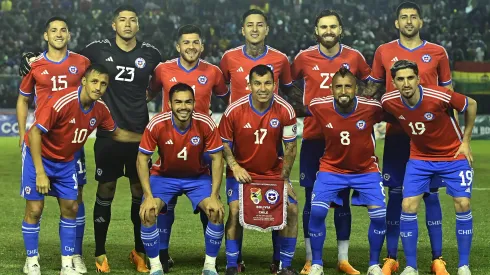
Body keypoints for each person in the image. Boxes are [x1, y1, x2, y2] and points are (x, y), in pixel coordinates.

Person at [19, 5, 163, 272]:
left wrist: (150, 136)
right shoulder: (85, 67)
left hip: (100, 148)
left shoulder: (149, 57)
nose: (128, 24)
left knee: (94, 201)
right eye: (122, 19)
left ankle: (107, 255)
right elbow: (35, 130)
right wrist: (31, 60)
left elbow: (153, 89)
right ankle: (64, 257)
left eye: (133, 20)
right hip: (71, 147)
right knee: (54, 204)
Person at [21, 64, 142, 275]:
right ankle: (31, 260)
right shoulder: (62, 101)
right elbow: (34, 134)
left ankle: (67, 263)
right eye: (94, 81)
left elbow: (117, 134)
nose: (98, 87)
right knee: (35, 209)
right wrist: (40, 172)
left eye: (103, 84)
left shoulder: (101, 110)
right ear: (84, 81)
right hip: (38, 157)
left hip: (66, 161)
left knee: (71, 207)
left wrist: (149, 138)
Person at [366, 2, 454, 274]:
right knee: (395, 195)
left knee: (430, 195)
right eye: (403, 17)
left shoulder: (437, 52)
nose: (408, 21)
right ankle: (392, 257)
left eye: (413, 17)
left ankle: (437, 258)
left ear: (421, 22)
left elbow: (449, 97)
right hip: (396, 135)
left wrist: (456, 140)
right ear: (396, 23)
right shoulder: (384, 51)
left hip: (431, 138)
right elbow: (373, 92)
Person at [290, 9, 371, 275]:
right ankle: (312, 259)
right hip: (314, 138)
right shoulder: (303, 58)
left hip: (345, 142)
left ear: (341, 30)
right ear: (316, 31)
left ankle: (343, 259)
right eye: (323, 27)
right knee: (312, 199)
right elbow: (290, 88)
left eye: (333, 27)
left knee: (343, 200)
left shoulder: (355, 57)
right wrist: (306, 108)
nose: (328, 31)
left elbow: (370, 88)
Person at [219, 9, 301, 272]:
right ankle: (233, 264)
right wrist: (234, 167)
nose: (263, 88)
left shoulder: (285, 110)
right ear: (249, 84)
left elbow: (290, 147)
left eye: (268, 83)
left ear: (274, 82)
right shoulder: (233, 110)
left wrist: (284, 178)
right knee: (233, 210)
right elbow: (224, 142)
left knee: (291, 209)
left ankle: (283, 265)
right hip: (241, 168)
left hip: (272, 169)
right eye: (258, 83)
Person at [381, 60, 476, 275]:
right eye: (400, 79)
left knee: (462, 203)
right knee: (408, 205)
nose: (406, 83)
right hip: (420, 158)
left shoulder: (439, 96)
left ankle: (463, 265)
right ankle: (411, 266)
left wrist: (466, 141)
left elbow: (470, 104)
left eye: (410, 78)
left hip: (453, 155)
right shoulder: (389, 101)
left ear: (418, 79)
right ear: (394, 82)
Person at [148, 23, 229, 271]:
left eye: (196, 42)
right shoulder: (162, 70)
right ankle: (162, 256)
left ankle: (210, 260)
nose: (191, 47)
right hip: (169, 143)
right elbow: (147, 95)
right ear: (178, 46)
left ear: (202, 46)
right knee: (165, 206)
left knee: (210, 206)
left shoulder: (213, 72)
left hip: (202, 144)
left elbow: (225, 99)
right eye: (186, 42)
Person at [16, 16, 91, 274]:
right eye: (53, 31)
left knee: (74, 201)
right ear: (45, 36)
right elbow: (23, 100)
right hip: (42, 142)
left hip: (71, 145)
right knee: (35, 207)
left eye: (63, 30)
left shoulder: (82, 63)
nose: (59, 34)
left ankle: (73, 257)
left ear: (69, 34)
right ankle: (32, 260)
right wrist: (20, 131)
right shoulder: (35, 65)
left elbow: (94, 90)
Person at [136, 83, 225, 275]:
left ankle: (209, 267)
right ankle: (156, 267)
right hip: (164, 177)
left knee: (216, 211)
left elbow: (218, 158)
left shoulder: (206, 123)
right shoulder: (157, 123)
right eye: (178, 102)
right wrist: (148, 195)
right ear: (169, 104)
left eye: (188, 102)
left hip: (197, 177)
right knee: (148, 212)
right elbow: (142, 159)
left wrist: (215, 195)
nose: (183, 107)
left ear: (194, 103)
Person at [306, 67, 386, 275]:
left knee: (379, 216)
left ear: (356, 89)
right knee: (317, 212)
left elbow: (395, 114)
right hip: (331, 169)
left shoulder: (371, 108)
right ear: (331, 89)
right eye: (338, 87)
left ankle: (374, 265)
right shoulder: (318, 106)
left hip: (366, 170)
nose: (343, 91)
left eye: (348, 86)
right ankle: (317, 264)